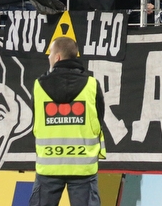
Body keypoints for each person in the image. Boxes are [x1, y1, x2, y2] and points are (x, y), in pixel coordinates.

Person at [29, 36, 104, 206]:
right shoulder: (92, 85)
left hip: (49, 165)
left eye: (50, 54)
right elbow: (99, 120)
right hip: (82, 165)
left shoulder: (39, 85)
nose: (48, 57)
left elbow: (35, 119)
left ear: (57, 58)